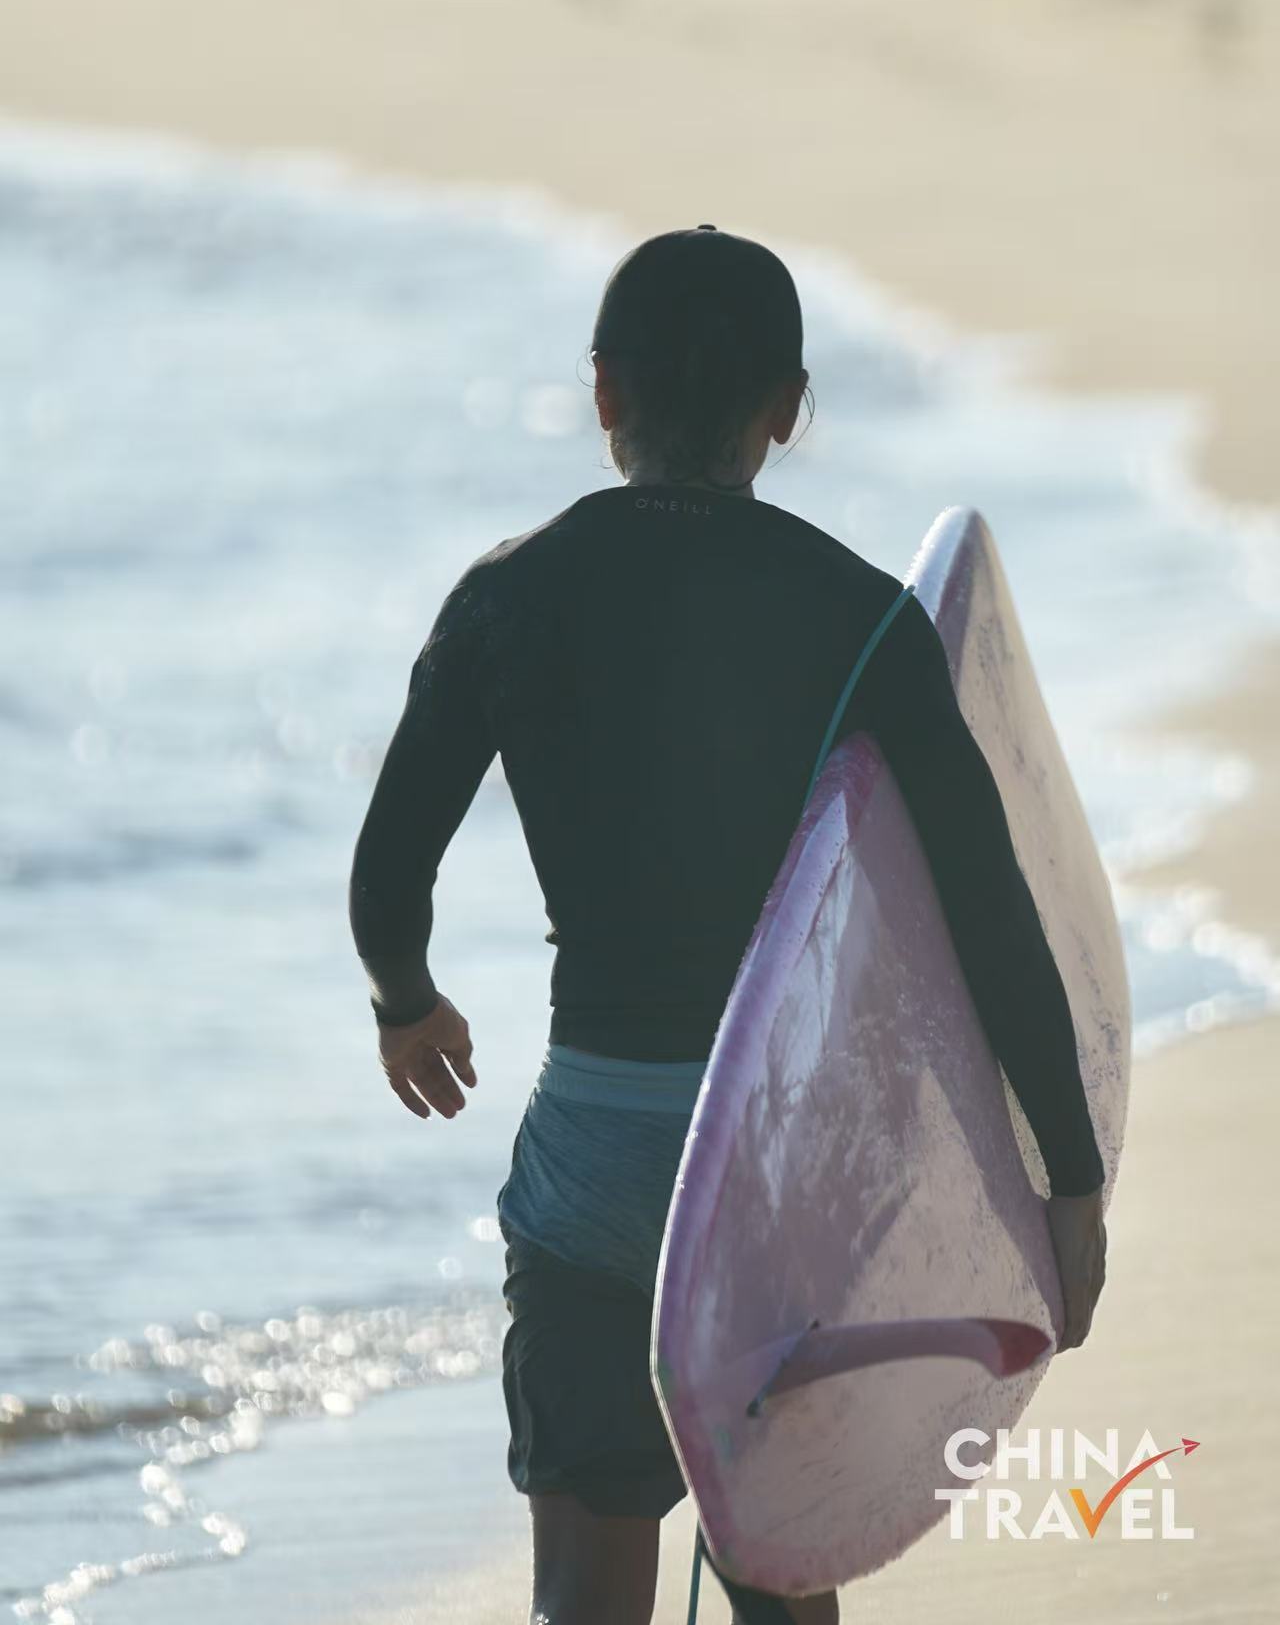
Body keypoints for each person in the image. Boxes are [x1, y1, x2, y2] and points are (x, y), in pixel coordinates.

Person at [348, 225, 1107, 1625]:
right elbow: (995, 915)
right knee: (779, 1571)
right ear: (787, 409)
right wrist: (1068, 1178)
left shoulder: (507, 599)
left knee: (585, 1588)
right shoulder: (862, 620)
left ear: (603, 394)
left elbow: (391, 871)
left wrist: (408, 1000)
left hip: (595, 1159)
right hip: (778, 1167)